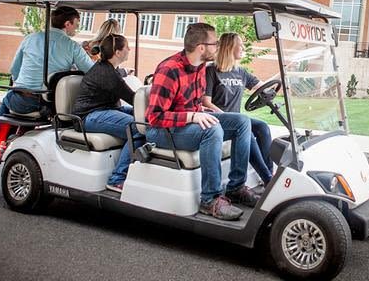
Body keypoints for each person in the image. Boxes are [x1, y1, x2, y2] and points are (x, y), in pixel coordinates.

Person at [145, 23, 259, 221]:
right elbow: (154, 117)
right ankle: (210, 199)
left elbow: (195, 104)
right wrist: (192, 116)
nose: (218, 46)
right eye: (214, 43)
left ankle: (235, 187)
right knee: (212, 130)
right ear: (201, 47)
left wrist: (200, 112)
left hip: (187, 124)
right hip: (162, 130)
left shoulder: (200, 68)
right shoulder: (169, 70)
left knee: (242, 121)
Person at [0, 6, 95, 157]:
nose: (77, 27)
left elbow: (14, 70)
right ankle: (16, 141)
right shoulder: (72, 46)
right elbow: (92, 70)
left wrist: (21, 83)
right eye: (76, 23)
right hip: (48, 106)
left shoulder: (30, 38)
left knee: (8, 99)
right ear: (67, 24)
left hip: (20, 100)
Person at [72, 34, 143, 193]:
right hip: (89, 116)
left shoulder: (110, 68)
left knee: (143, 118)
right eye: (126, 47)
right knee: (138, 127)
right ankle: (117, 179)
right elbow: (133, 98)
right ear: (117, 52)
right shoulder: (107, 73)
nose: (129, 49)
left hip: (106, 110)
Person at [203, 33, 274, 186]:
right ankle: (269, 179)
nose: (243, 47)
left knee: (262, 127)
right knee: (246, 129)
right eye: (240, 44)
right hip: (218, 121)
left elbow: (262, 86)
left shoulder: (241, 71)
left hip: (239, 120)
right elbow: (206, 102)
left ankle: (270, 173)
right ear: (229, 47)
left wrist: (277, 81)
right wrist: (226, 116)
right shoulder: (211, 71)